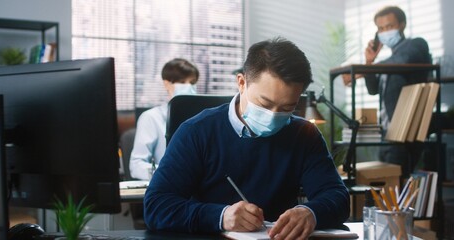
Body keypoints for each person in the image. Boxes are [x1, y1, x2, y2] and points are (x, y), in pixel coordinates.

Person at [144, 37, 350, 238]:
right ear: (242, 83)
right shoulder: (196, 131)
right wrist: (221, 216)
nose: (273, 115)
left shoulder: (305, 135)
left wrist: (311, 213)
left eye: (287, 108)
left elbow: (337, 197)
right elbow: (156, 206)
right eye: (265, 103)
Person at [343, 6, 432, 177]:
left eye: (389, 27)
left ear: (402, 25)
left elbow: (404, 58)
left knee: (394, 184)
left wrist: (361, 71)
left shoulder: (416, 45)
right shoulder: (387, 62)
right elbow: (373, 90)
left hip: (404, 133)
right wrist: (369, 63)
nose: (385, 32)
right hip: (387, 133)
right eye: (380, 29)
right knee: (384, 183)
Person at [129, 58, 199, 180]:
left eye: (192, 83)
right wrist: (168, 173)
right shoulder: (151, 117)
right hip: (171, 185)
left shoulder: (203, 118)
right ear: (167, 84)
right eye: (182, 82)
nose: (188, 87)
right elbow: (136, 165)